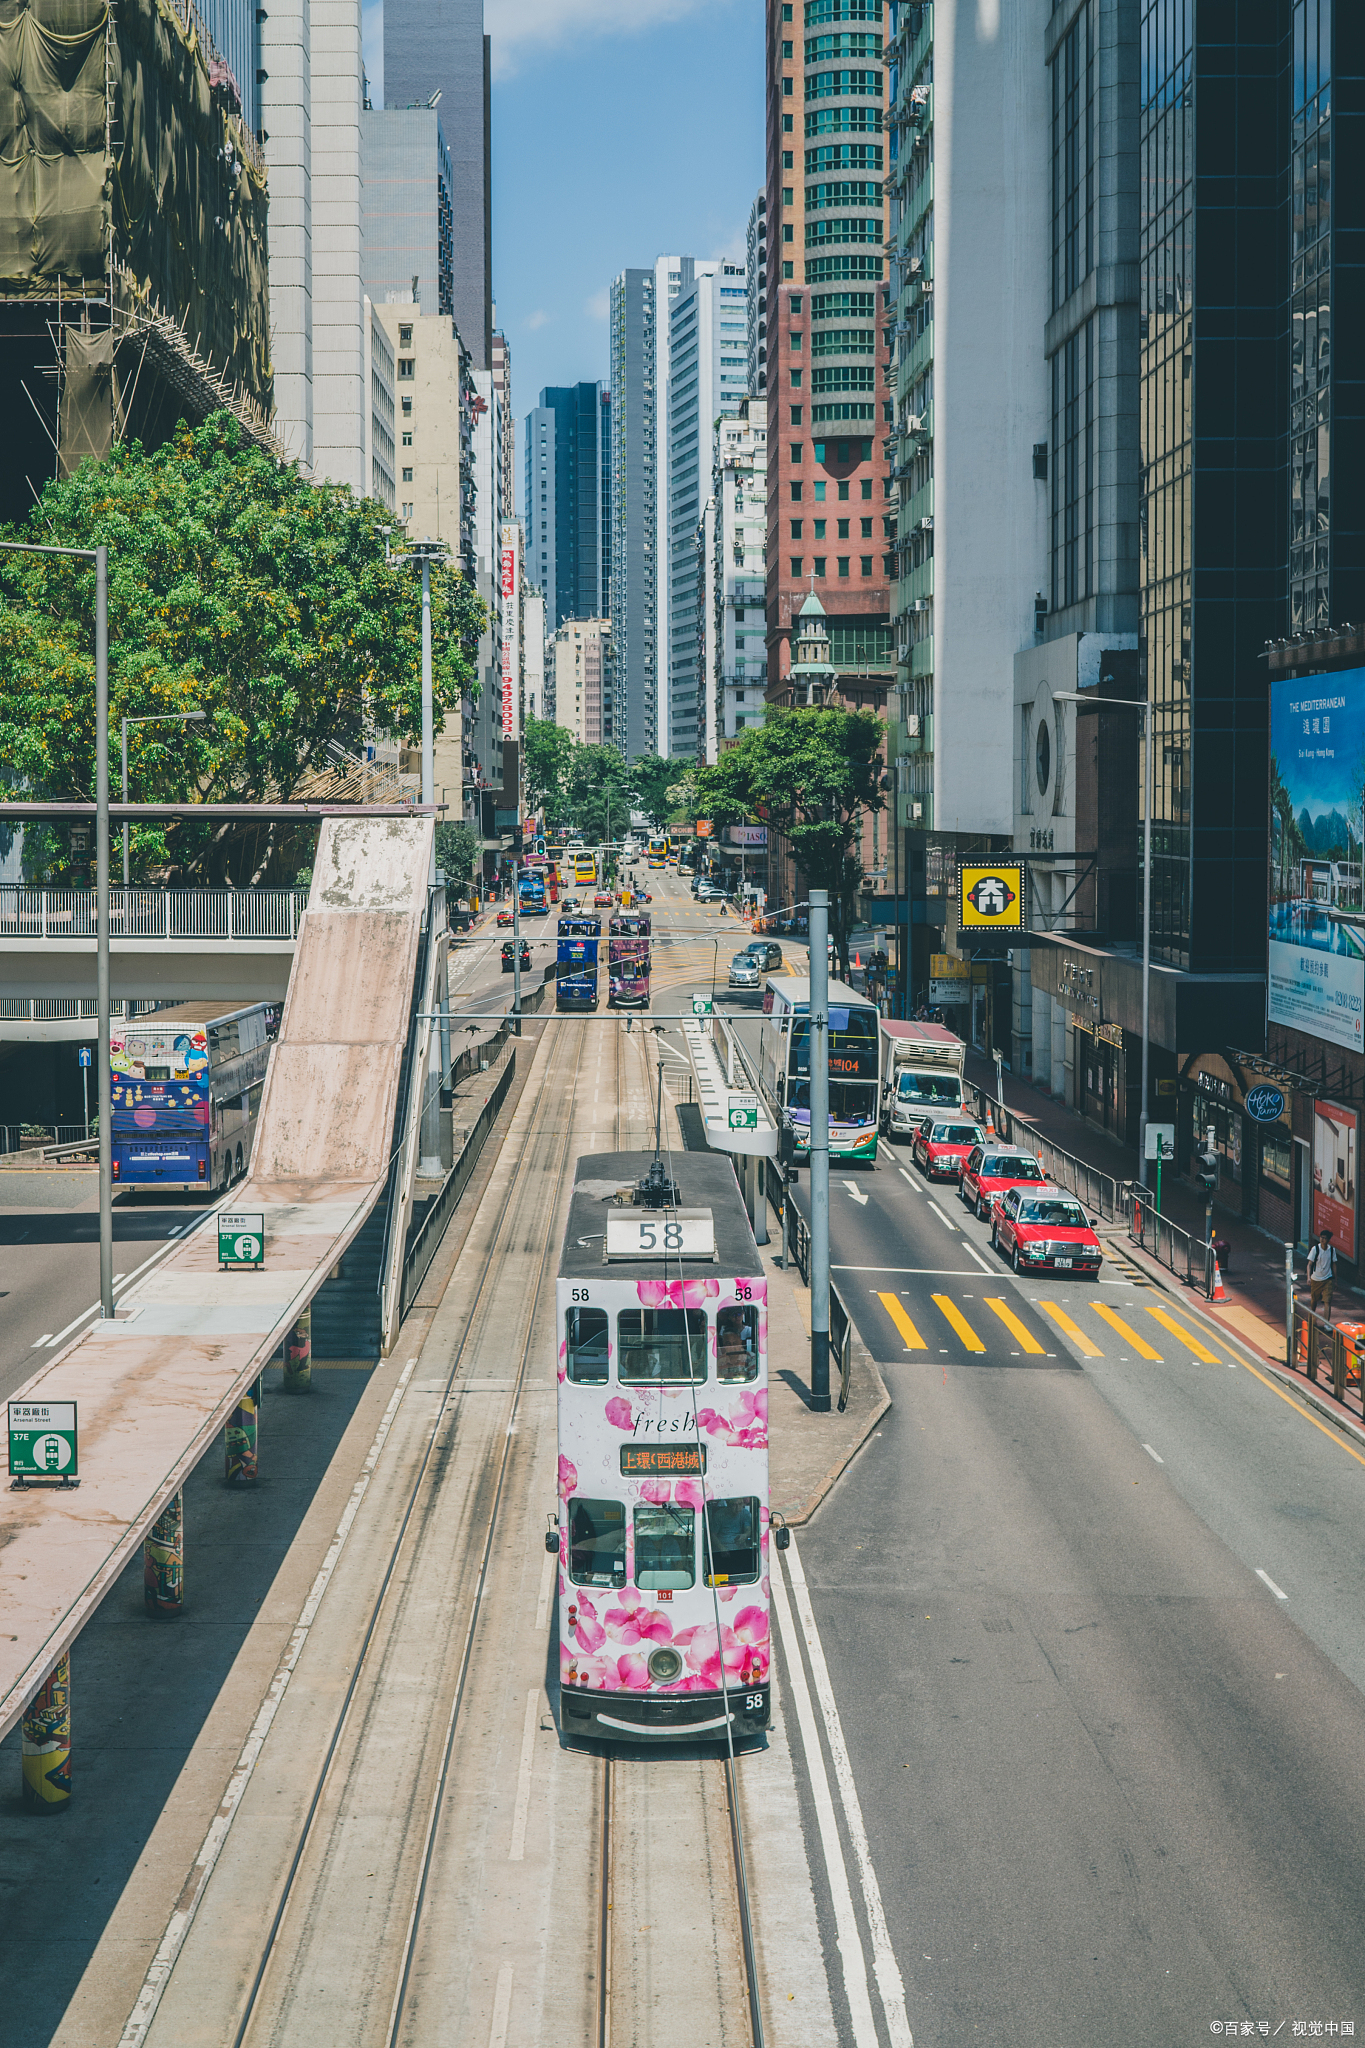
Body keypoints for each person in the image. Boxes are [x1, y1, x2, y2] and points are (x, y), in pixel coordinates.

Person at [1308, 1227, 1337, 1318]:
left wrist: (1335, 1280)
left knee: (1327, 1301)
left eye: (1324, 1238)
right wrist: (1308, 1277)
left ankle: (1326, 1324)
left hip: (1328, 1278)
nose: (1322, 1240)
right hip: (1316, 1278)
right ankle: (1312, 1317)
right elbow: (1309, 1264)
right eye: (1321, 1237)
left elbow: (1334, 1265)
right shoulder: (1315, 1249)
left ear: (1328, 1240)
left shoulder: (1332, 1250)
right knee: (1314, 1300)